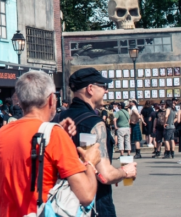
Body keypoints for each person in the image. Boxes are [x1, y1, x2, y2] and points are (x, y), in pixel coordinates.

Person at [0, 71, 100, 217]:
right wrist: (90, 162)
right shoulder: (55, 135)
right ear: (51, 99)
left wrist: (54, 132)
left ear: (19, 100)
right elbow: (86, 195)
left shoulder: (2, 133)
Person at [55, 67, 138, 217]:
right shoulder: (94, 123)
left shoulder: (58, 119)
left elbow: (87, 161)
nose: (106, 91)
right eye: (104, 86)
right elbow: (104, 174)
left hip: (62, 202)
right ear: (90, 89)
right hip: (93, 204)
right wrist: (125, 172)